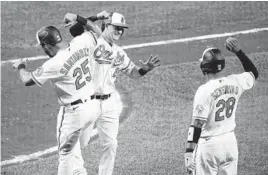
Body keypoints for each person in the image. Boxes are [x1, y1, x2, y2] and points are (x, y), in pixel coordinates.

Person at [63, 11, 161, 175]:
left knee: (110, 144)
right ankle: (76, 171)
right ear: (107, 26)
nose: (120, 32)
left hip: (109, 103)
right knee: (78, 142)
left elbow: (133, 72)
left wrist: (144, 69)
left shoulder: (119, 53)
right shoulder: (92, 40)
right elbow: (82, 26)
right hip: (87, 103)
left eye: (122, 29)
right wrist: (89, 16)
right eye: (117, 27)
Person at [13, 25, 100, 175]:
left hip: (75, 113)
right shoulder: (81, 41)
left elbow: (27, 80)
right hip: (93, 107)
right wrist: (81, 19)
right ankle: (79, 172)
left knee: (65, 153)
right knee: (73, 145)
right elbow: (98, 32)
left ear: (46, 44)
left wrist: (21, 66)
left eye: (42, 46)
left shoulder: (54, 63)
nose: (43, 49)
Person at [184, 37, 259, 175]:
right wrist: (238, 51)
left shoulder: (204, 91)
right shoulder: (235, 82)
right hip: (230, 143)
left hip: (209, 147)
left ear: (204, 67)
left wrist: (189, 152)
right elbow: (254, 73)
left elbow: (197, 125)